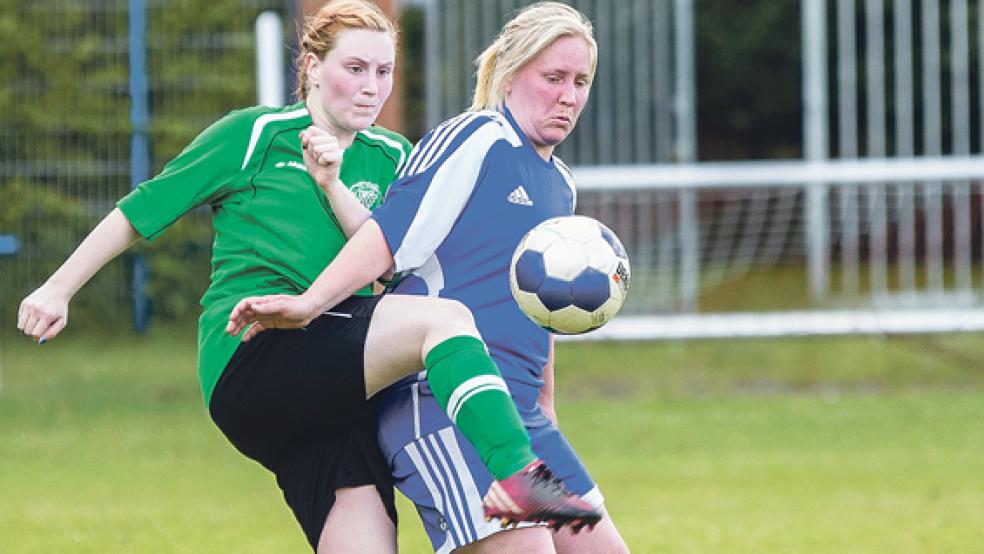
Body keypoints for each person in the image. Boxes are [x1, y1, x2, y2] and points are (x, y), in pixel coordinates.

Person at [17, 1, 597, 552]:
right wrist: (58, 287)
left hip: (337, 388)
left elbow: (387, 256)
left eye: (384, 70)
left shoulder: (393, 154)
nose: (372, 85)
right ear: (312, 68)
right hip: (257, 353)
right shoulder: (256, 134)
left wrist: (333, 183)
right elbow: (141, 211)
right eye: (355, 68)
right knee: (444, 321)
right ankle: (518, 474)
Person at [226, 2, 629, 553]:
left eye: (581, 81)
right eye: (553, 77)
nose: (569, 95)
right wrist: (310, 303)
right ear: (510, 76)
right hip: (440, 405)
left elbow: (542, 313)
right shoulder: (475, 137)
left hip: (519, 419)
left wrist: (546, 410)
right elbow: (386, 243)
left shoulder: (561, 184)